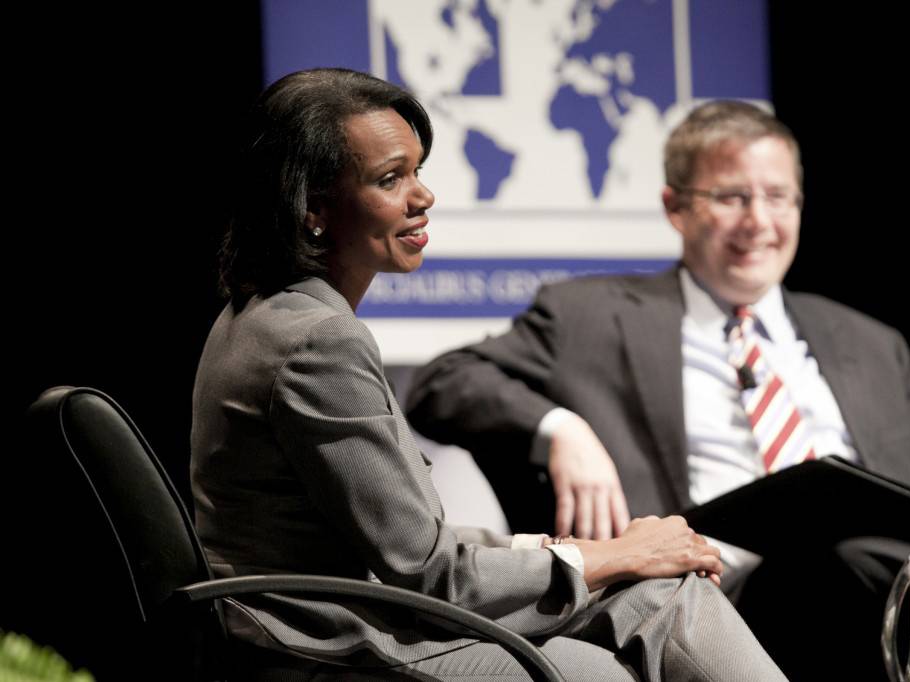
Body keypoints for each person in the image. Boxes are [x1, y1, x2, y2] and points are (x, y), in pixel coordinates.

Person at [191, 69, 786, 681]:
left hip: (349, 615)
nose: (423, 196)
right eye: (390, 179)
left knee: (662, 591)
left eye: (418, 170)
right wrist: (615, 552)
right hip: (328, 644)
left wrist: (565, 551)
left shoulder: (264, 314)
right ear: (313, 208)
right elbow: (430, 572)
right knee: (603, 661)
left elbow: (405, 540)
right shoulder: (319, 342)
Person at [405, 100, 910, 679]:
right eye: (732, 197)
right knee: (826, 569)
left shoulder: (872, 342)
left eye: (778, 197)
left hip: (881, 596)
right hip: (706, 600)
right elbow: (442, 383)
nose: (759, 221)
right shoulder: (590, 316)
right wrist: (561, 429)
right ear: (675, 207)